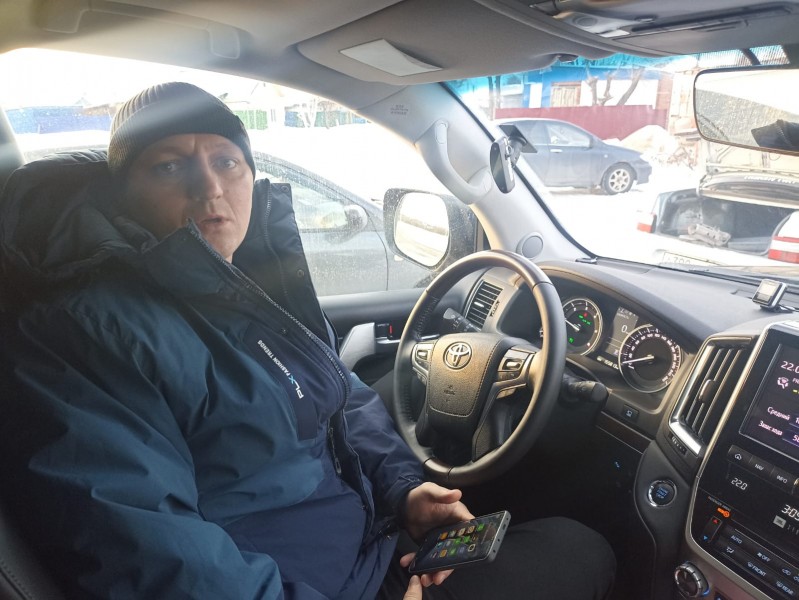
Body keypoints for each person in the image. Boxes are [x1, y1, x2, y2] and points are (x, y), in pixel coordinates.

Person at [0, 82, 615, 599]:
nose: (209, 188)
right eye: (169, 165)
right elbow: (148, 552)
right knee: (582, 548)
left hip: (368, 548)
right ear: (122, 195)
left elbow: (340, 399)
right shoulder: (79, 335)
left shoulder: (248, 283)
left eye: (227, 161)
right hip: (314, 587)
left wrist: (404, 490)